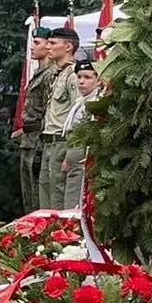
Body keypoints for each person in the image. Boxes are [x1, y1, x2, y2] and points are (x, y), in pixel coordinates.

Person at [36, 27, 79, 210]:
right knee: (45, 193)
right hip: (48, 141)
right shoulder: (56, 73)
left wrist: (72, 150)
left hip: (62, 142)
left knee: (58, 196)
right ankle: (46, 235)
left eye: (53, 43)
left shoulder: (73, 75)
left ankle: (62, 236)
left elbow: (78, 112)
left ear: (68, 46)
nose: (48, 47)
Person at [13, 26, 52, 213]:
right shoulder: (39, 73)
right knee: (27, 191)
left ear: (48, 46)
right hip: (29, 139)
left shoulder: (50, 74)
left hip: (39, 139)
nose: (32, 47)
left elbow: (48, 110)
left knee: (37, 192)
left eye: (37, 43)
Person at [60, 62, 101, 210]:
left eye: (87, 77)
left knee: (76, 200)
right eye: (79, 77)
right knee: (69, 196)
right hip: (74, 155)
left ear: (98, 80)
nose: (81, 81)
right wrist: (67, 157)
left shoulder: (97, 102)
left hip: (83, 158)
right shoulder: (81, 101)